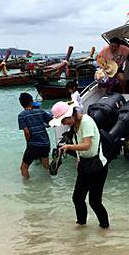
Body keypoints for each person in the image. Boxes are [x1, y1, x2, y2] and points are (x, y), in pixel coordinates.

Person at [50, 101, 110, 229]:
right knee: (77, 198)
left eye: (64, 121)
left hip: (98, 166)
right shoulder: (74, 126)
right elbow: (80, 145)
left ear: (71, 115)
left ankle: (105, 228)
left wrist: (69, 146)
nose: (64, 124)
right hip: (85, 165)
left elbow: (87, 144)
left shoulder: (86, 121)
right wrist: (78, 160)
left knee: (95, 202)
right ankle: (81, 225)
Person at [18, 92, 53, 179]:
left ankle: (28, 187)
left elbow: (26, 132)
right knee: (46, 166)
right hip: (46, 143)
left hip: (33, 145)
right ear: (31, 102)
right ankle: (50, 182)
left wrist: (28, 144)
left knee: (23, 168)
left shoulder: (21, 115)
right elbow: (52, 121)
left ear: (21, 104)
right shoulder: (41, 111)